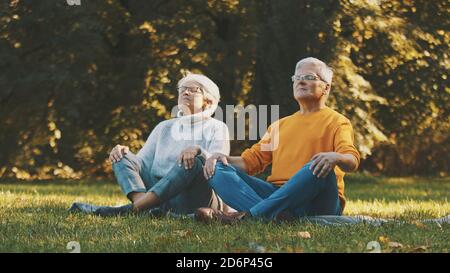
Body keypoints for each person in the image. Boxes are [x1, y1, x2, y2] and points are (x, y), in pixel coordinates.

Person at [195, 57, 360, 224]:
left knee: (315, 165)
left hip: (319, 201)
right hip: (277, 195)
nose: (301, 81)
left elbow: (351, 160)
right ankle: (274, 217)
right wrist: (223, 159)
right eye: (297, 77)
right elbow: (251, 161)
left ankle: (251, 217)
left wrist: (335, 157)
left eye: (309, 77)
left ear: (326, 88)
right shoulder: (278, 126)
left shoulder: (338, 122)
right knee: (217, 169)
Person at [69, 73, 230, 216]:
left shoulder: (217, 127)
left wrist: (198, 151)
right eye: (182, 89)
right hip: (162, 199)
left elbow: (219, 164)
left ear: (208, 102)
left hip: (195, 199)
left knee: (194, 162)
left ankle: (132, 209)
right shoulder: (164, 127)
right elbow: (141, 163)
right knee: (121, 155)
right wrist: (124, 154)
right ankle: (142, 206)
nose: (185, 92)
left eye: (193, 90)